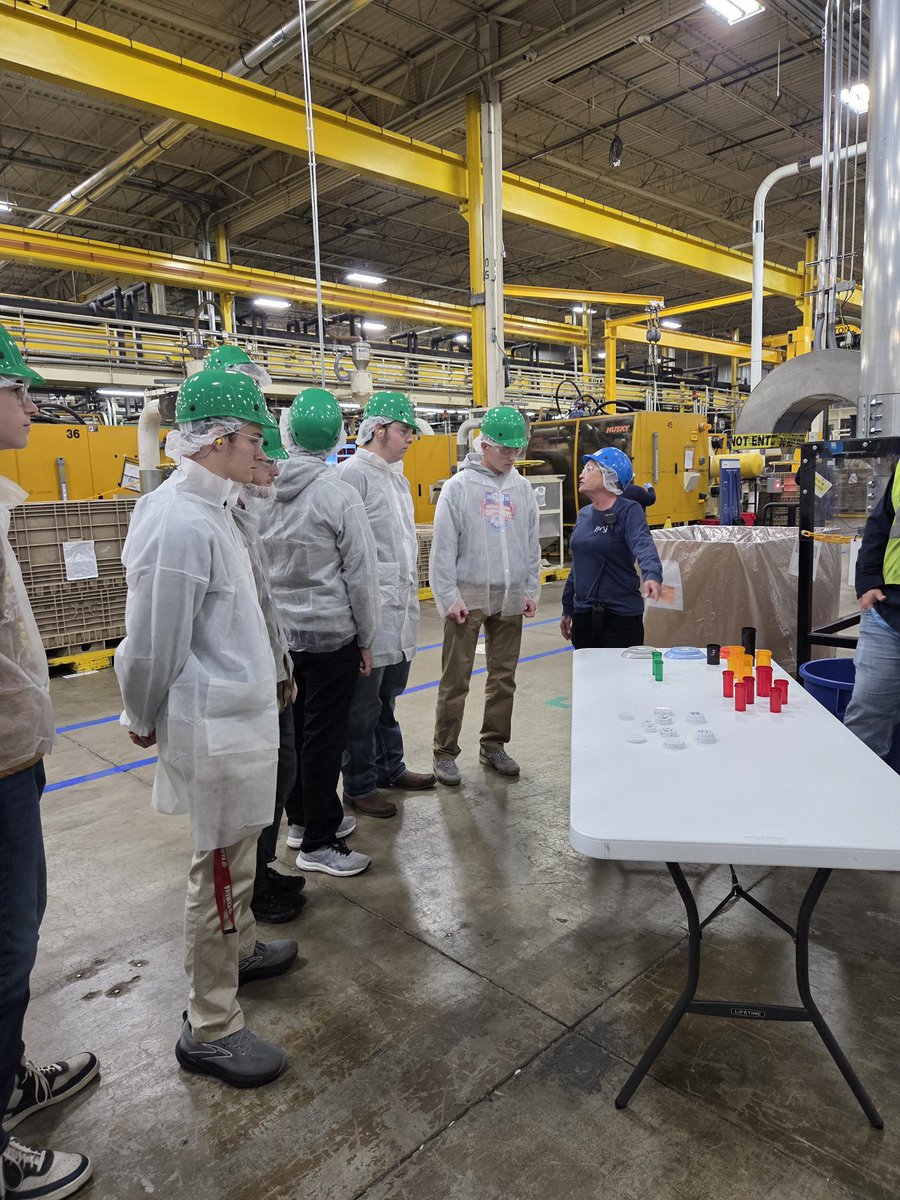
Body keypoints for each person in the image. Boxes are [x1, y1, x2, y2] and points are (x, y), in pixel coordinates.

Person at [115, 369, 297, 1089]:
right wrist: (139, 711)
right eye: (252, 439)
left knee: (240, 857)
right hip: (213, 728)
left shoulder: (218, 509)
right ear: (217, 439)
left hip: (240, 721)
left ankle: (241, 949)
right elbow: (153, 641)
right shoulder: (176, 520)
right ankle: (211, 1023)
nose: (260, 453)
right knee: (218, 871)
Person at [0, 323, 97, 1198]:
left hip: (13, 761)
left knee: (14, 938)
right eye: (18, 389)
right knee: (2, 946)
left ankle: (8, 1079)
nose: (34, 404)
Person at [260, 389, 378, 876]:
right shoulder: (337, 493)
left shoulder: (263, 488)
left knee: (297, 731)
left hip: (284, 637)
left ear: (285, 434)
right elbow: (361, 575)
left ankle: (301, 818)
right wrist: (367, 638)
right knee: (324, 737)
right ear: (338, 438)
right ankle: (319, 842)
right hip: (331, 637)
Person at [336, 392, 436, 818]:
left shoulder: (393, 476)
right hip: (371, 610)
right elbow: (344, 550)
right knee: (362, 707)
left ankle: (388, 768)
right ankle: (358, 786)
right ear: (377, 430)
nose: (409, 437)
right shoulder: (351, 476)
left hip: (399, 607)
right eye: (403, 430)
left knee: (387, 697)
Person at [430, 405, 541, 785]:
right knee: (456, 678)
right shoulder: (458, 488)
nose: (512, 457)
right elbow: (443, 547)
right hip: (469, 596)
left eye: (516, 450)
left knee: (503, 676)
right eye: (505, 450)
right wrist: (448, 597)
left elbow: (530, 543)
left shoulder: (521, 488)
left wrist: (530, 588)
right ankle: (444, 752)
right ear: (484, 445)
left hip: (510, 596)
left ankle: (493, 744)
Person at [231, 428, 307, 924]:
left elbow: (265, 606)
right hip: (240, 691)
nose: (273, 470)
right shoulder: (200, 519)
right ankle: (253, 887)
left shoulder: (244, 520)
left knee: (281, 778)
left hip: (271, 678)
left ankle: (261, 869)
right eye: (263, 459)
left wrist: (284, 667)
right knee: (258, 794)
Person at [560, 446, 662, 650]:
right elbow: (578, 565)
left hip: (621, 616)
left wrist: (652, 574)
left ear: (609, 476)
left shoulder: (629, 511)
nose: (581, 474)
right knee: (588, 678)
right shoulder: (584, 514)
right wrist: (567, 608)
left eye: (589, 469)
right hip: (584, 614)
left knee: (622, 679)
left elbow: (643, 543)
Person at [843, 463, 900, 765]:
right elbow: (881, 524)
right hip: (888, 613)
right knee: (866, 718)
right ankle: (855, 799)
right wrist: (867, 582)